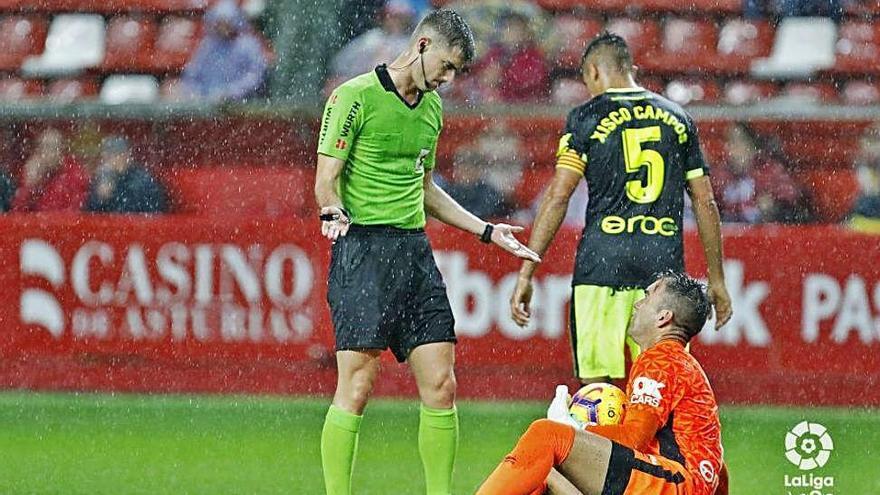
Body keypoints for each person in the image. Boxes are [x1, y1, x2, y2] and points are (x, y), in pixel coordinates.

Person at [314, 9, 540, 495]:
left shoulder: (433, 109)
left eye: (457, 71)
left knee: (442, 384)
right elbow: (326, 180)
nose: (449, 78)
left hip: (413, 253)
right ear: (421, 46)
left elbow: (425, 189)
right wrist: (331, 212)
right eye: (448, 65)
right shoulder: (353, 98)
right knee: (356, 387)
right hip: (363, 251)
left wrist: (485, 231)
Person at [510, 33, 733, 386]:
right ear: (630, 68)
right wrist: (717, 279)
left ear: (594, 72)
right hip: (662, 269)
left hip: (603, 264)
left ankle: (606, 443)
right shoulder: (678, 118)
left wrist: (526, 272)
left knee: (597, 393)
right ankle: (660, 444)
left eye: (586, 81)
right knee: (661, 388)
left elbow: (558, 195)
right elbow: (705, 202)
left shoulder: (586, 117)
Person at [478, 272, 727, 495]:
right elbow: (719, 470)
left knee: (547, 435)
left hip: (675, 483)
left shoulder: (660, 359)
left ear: (663, 317)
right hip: (684, 484)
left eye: (647, 297)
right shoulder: (681, 364)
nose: (638, 304)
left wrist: (574, 426)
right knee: (542, 471)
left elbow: (632, 438)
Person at [712, 122, 807, 224]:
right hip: (729, 236)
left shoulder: (770, 172)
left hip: (766, 235)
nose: (730, 148)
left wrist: (773, 208)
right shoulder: (720, 176)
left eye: (737, 142)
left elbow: (795, 203)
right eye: (728, 143)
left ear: (751, 146)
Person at [181, 0, 268, 102]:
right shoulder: (207, 46)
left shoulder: (248, 45)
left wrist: (232, 92)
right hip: (207, 107)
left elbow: (256, 74)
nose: (223, 28)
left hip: (240, 106)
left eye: (226, 23)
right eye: (219, 23)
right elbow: (191, 75)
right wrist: (196, 93)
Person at [10, 128, 89, 212]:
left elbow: (76, 212)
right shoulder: (34, 171)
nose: (49, 152)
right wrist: (29, 186)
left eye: (54, 147)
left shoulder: (74, 174)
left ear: (62, 150)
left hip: (62, 224)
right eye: (45, 147)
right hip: (37, 224)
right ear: (38, 151)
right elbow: (17, 213)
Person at [85, 136, 167, 214]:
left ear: (127, 156)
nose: (110, 161)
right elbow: (89, 215)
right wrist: (100, 197)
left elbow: (136, 211)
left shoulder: (142, 179)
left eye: (115, 155)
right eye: (107, 157)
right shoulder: (103, 178)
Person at [444, 147, 514, 219]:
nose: (462, 172)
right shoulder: (450, 190)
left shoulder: (489, 192)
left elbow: (482, 215)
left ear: (478, 170)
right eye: (459, 167)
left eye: (467, 168)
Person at [848, 123, 880, 233]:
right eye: (869, 142)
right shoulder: (860, 169)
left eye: (876, 142)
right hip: (863, 222)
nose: (873, 148)